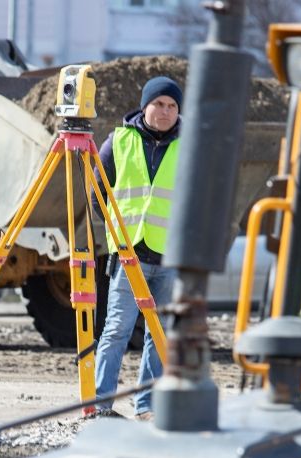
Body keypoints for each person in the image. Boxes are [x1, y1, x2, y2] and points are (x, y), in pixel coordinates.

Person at [93, 76, 182, 421]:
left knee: (159, 335)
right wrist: (117, 233)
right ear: (144, 106)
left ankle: (146, 406)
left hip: (169, 256)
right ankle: (100, 405)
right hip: (130, 256)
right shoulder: (119, 141)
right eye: (158, 104)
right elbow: (98, 192)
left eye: (172, 106)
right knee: (117, 329)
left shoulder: (190, 145)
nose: (165, 111)